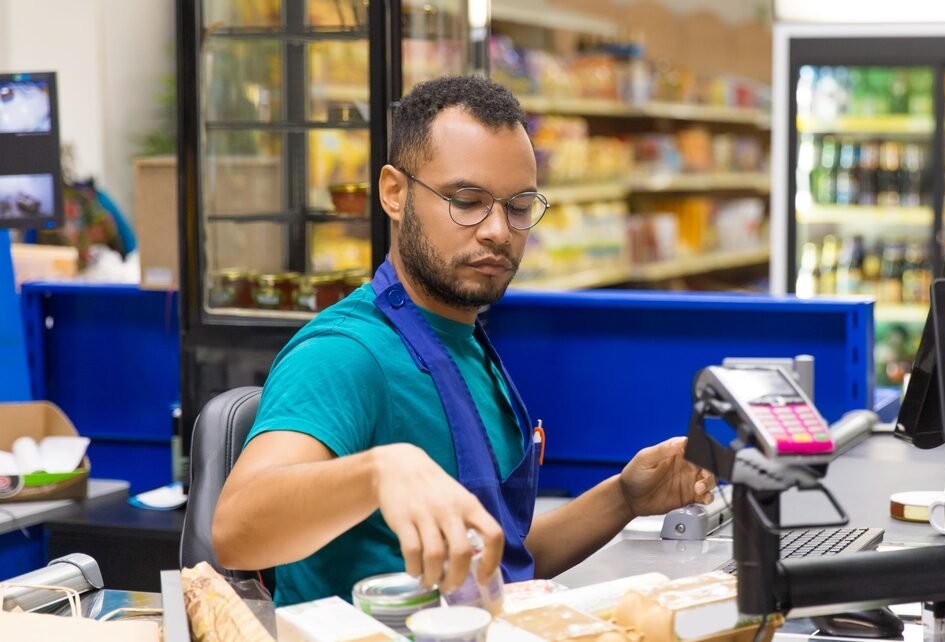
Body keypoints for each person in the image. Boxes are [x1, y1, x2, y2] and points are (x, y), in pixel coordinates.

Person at [210, 75, 716, 606]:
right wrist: (378, 472)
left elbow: (499, 562)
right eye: (467, 200)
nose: (498, 230)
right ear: (394, 193)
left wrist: (624, 497)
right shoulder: (347, 355)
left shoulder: (466, 344)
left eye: (518, 206)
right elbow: (235, 529)